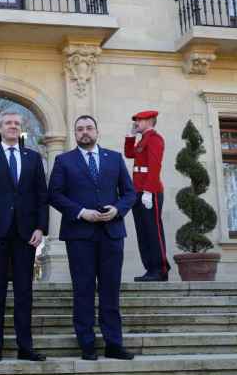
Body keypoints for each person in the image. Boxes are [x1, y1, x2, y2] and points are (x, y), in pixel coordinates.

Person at [49, 115, 138, 361]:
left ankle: (113, 344)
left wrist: (117, 210)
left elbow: (130, 193)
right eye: (80, 129)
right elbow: (54, 195)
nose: (85, 132)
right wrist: (81, 212)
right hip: (80, 235)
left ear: (97, 131)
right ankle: (87, 344)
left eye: (89, 128)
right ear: (75, 134)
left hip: (112, 233)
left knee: (110, 291)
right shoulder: (63, 160)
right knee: (84, 290)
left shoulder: (115, 158)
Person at [0, 109, 49, 362]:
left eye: (17, 123)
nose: (13, 126)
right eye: (8, 123)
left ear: (21, 128)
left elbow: (41, 196)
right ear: (0, 128)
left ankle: (25, 347)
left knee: (24, 293)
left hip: (26, 235)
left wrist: (40, 228)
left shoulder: (33, 158)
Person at [124, 110, 170, 282]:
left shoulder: (155, 139)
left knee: (153, 231)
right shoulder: (143, 139)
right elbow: (129, 154)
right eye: (136, 121)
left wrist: (149, 191)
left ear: (150, 121)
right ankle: (150, 268)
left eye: (139, 121)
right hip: (138, 191)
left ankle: (160, 269)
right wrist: (130, 135)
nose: (136, 123)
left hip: (150, 191)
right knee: (143, 232)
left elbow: (154, 166)